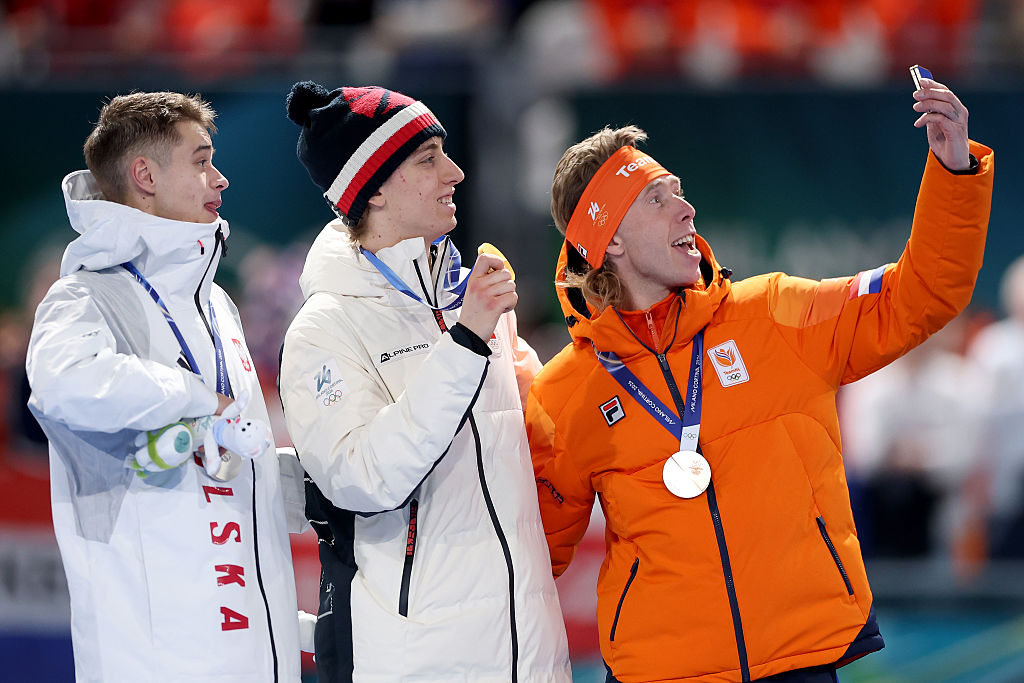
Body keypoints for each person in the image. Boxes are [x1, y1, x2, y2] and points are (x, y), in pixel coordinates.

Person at [526, 77, 993, 682]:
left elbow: (923, 293)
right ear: (607, 240)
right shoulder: (565, 392)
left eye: (680, 191)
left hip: (802, 657)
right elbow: (532, 556)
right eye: (656, 198)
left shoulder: (776, 313)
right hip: (660, 672)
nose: (686, 208)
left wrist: (952, 167)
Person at [278, 82, 571, 682]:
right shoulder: (325, 328)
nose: (456, 173)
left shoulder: (474, 298)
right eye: (428, 159)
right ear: (375, 190)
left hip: (530, 651)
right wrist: (464, 343)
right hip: (416, 661)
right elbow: (364, 478)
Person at [25, 91, 304, 682]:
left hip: (251, 650)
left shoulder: (216, 304)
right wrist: (197, 399)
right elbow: (63, 384)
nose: (220, 178)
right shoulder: (85, 295)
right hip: (156, 657)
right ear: (145, 175)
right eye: (201, 160)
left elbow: (229, 462)